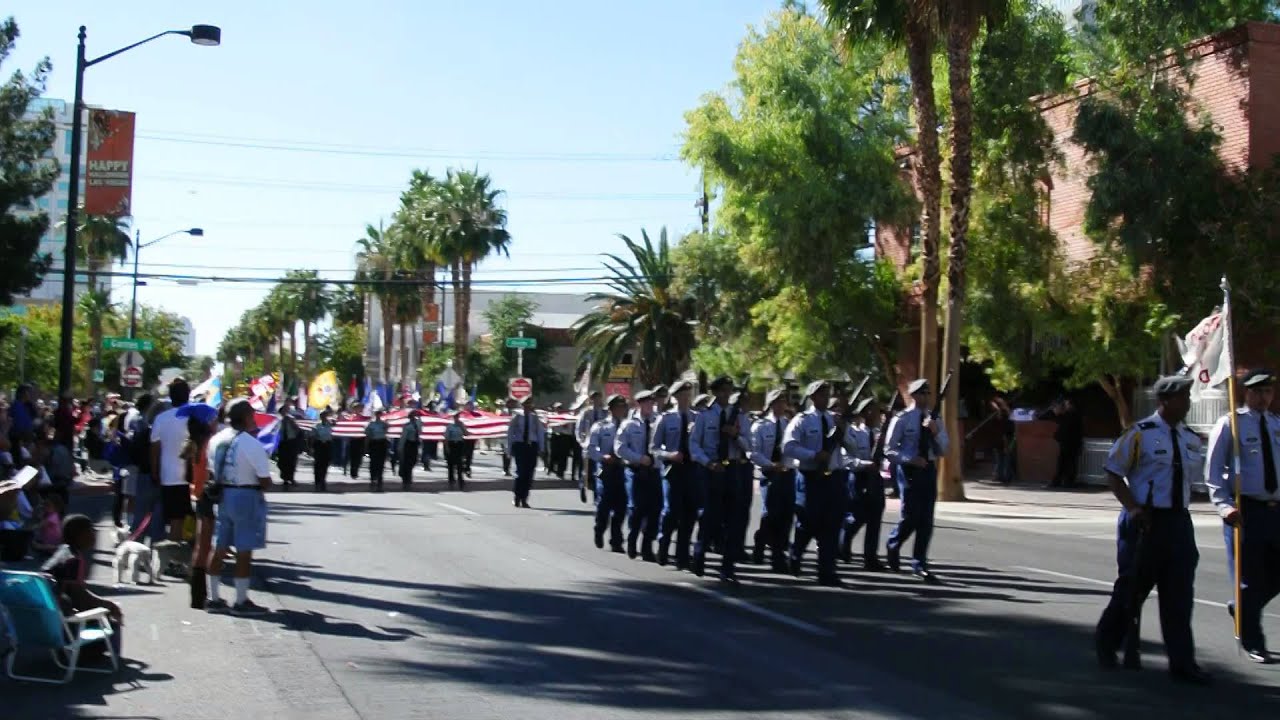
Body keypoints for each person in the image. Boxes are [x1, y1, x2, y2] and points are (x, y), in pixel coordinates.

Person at [1094, 375, 1209, 684]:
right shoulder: (1139, 434)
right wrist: (1133, 508)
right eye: (1182, 398)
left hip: (1178, 522)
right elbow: (1114, 473)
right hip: (1145, 520)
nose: (1187, 403)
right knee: (1132, 589)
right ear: (1165, 401)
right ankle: (1107, 641)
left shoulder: (1189, 437)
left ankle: (1183, 663)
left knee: (1180, 594)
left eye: (1188, 397)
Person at [1205, 368, 1280, 664]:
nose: (1263, 397)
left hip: (1277, 510)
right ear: (1246, 393)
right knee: (1249, 577)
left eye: (1268, 391)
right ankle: (1253, 641)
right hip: (1246, 509)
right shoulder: (1230, 425)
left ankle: (1242, 607)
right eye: (1257, 391)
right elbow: (1213, 475)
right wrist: (1224, 506)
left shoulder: (1277, 424)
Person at [206, 400, 272, 615]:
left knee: (220, 546)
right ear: (246, 417)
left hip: (224, 494)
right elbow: (264, 479)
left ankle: (213, 597)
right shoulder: (251, 444)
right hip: (246, 495)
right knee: (244, 550)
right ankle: (241, 601)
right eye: (252, 415)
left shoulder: (215, 440)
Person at [884, 379, 948, 582]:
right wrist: (909, 458)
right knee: (911, 515)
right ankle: (894, 543)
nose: (925, 398)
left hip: (928, 469)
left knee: (926, 519)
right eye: (921, 394)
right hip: (909, 469)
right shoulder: (902, 418)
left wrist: (935, 432)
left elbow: (944, 449)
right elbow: (889, 449)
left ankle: (919, 563)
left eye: (928, 394)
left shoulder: (935, 419)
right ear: (913, 395)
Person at [691, 377, 753, 582]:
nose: (726, 394)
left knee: (733, 520)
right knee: (710, 516)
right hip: (711, 469)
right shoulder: (704, 416)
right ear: (715, 392)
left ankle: (728, 566)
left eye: (729, 390)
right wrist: (708, 463)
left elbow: (749, 447)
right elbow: (694, 445)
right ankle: (699, 555)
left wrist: (736, 435)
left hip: (732, 469)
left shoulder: (740, 417)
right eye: (723, 390)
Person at [42, 514, 123, 657]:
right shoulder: (73, 560)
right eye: (91, 531)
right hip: (64, 628)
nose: (95, 534)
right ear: (79, 536)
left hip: (48, 621)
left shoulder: (61, 552)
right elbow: (81, 599)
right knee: (113, 626)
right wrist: (109, 606)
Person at [651, 381, 699, 570]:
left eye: (688, 394)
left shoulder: (697, 418)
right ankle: (663, 547)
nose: (686, 398)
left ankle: (683, 555)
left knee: (690, 512)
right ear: (675, 397)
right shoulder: (665, 419)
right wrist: (669, 455)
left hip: (692, 469)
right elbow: (653, 448)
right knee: (671, 511)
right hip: (672, 470)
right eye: (682, 394)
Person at [750, 388, 794, 572]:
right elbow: (754, 453)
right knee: (771, 514)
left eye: (783, 401)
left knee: (786, 516)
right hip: (770, 474)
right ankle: (771, 552)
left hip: (787, 474)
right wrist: (770, 465)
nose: (781, 405)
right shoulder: (760, 426)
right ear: (770, 404)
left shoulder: (789, 425)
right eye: (777, 401)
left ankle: (774, 549)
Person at [842, 397, 886, 570]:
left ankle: (870, 557)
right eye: (875, 411)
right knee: (857, 517)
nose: (878, 415)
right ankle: (843, 541)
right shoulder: (852, 433)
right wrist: (865, 465)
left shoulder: (878, 433)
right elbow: (846, 459)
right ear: (867, 412)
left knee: (875, 518)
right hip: (859, 478)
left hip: (875, 478)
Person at [181, 403, 219, 609]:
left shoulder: (193, 443)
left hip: (196, 494)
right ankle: (203, 595)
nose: (217, 422)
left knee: (200, 546)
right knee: (207, 546)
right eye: (214, 419)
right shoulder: (208, 444)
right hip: (206, 496)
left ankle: (198, 595)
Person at [617, 390, 660, 560]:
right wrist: (638, 458)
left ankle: (647, 547)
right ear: (639, 404)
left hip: (655, 471)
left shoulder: (659, 421)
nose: (650, 406)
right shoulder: (629, 424)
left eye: (652, 402)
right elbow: (620, 448)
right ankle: (632, 541)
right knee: (637, 508)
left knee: (655, 510)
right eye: (647, 402)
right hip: (636, 471)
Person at [150, 378, 193, 542]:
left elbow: (154, 448)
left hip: (168, 475)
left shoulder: (161, 419)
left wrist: (155, 472)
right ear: (188, 395)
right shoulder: (194, 417)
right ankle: (177, 555)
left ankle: (176, 553)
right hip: (191, 475)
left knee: (175, 518)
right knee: (182, 519)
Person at [587, 394, 629, 552]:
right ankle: (599, 529)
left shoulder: (628, 426)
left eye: (623, 407)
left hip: (623, 470)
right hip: (606, 470)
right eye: (618, 407)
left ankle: (616, 540)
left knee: (621, 507)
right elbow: (591, 448)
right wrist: (602, 456)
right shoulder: (600, 426)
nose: (621, 410)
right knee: (604, 506)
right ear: (611, 409)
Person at [506, 396, 545, 508]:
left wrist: (541, 448)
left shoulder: (535, 417)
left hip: (531, 446)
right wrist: (509, 449)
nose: (527, 406)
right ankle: (517, 496)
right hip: (520, 445)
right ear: (521, 405)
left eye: (529, 404)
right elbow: (510, 432)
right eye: (525, 404)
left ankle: (525, 498)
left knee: (529, 473)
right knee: (521, 472)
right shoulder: (517, 416)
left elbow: (540, 433)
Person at [576, 392, 608, 504]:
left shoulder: (604, 413)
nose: (597, 400)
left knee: (597, 471)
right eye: (595, 398)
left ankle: (596, 495)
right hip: (587, 444)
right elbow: (579, 429)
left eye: (599, 398)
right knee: (585, 471)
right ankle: (582, 487)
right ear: (591, 399)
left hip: (599, 446)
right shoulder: (585, 412)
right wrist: (581, 441)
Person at [276, 403, 303, 489]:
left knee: (291, 460)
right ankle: (284, 477)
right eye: (284, 411)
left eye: (286, 410)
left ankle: (291, 478)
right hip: (282, 442)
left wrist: (292, 423)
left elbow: (298, 430)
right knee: (282, 461)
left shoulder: (291, 419)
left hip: (291, 441)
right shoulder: (277, 420)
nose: (285, 412)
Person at [399, 402, 423, 490]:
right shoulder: (407, 426)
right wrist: (400, 447)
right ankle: (407, 480)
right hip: (408, 445)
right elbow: (403, 437)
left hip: (415, 445)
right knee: (407, 463)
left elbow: (420, 430)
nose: (415, 417)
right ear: (410, 417)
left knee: (413, 461)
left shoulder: (418, 425)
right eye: (413, 416)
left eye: (415, 416)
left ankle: (407, 477)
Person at [365, 409, 390, 492]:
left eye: (380, 414)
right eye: (377, 414)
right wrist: (366, 447)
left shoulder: (384, 424)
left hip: (382, 443)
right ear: (375, 415)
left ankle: (380, 481)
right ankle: (373, 479)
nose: (379, 415)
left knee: (381, 463)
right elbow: (367, 434)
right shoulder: (371, 424)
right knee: (373, 463)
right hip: (374, 444)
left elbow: (387, 430)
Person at [444, 411, 468, 489]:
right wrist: (447, 447)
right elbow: (446, 438)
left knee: (459, 464)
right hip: (452, 445)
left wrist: (462, 427)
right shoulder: (450, 426)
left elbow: (466, 434)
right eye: (455, 416)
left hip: (459, 445)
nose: (456, 418)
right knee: (451, 464)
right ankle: (451, 480)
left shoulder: (461, 425)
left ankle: (461, 480)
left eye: (458, 416)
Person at [312, 410, 334, 492]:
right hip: (319, 445)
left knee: (325, 465)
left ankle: (323, 481)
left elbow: (334, 435)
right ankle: (317, 482)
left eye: (326, 416)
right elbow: (312, 437)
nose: (325, 418)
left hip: (327, 445)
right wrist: (311, 448)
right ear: (321, 417)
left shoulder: (331, 426)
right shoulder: (317, 426)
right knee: (318, 465)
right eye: (323, 416)